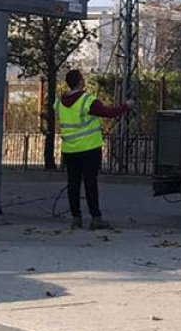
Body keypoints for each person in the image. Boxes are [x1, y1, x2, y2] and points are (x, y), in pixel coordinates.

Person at [55, 67, 129, 230]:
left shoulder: (59, 102)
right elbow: (109, 113)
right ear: (80, 82)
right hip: (89, 149)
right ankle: (96, 218)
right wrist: (125, 106)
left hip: (69, 150)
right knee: (90, 184)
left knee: (73, 185)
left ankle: (76, 218)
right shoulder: (87, 100)